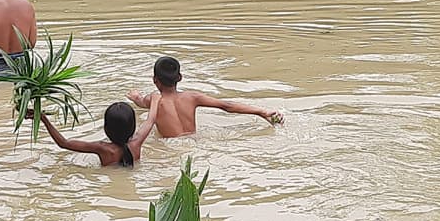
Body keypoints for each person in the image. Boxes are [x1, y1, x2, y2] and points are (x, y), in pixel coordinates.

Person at [126, 56, 284, 138]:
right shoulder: (192, 97)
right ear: (180, 77)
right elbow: (226, 105)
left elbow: (140, 102)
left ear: (155, 80)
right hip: (194, 141)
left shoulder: (154, 99)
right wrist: (262, 112)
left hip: (170, 147)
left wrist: (135, 96)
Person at [40, 93, 163, 167]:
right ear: (133, 127)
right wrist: (155, 99)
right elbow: (150, 120)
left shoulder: (102, 148)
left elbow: (64, 143)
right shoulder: (137, 142)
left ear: (106, 128)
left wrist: (44, 119)